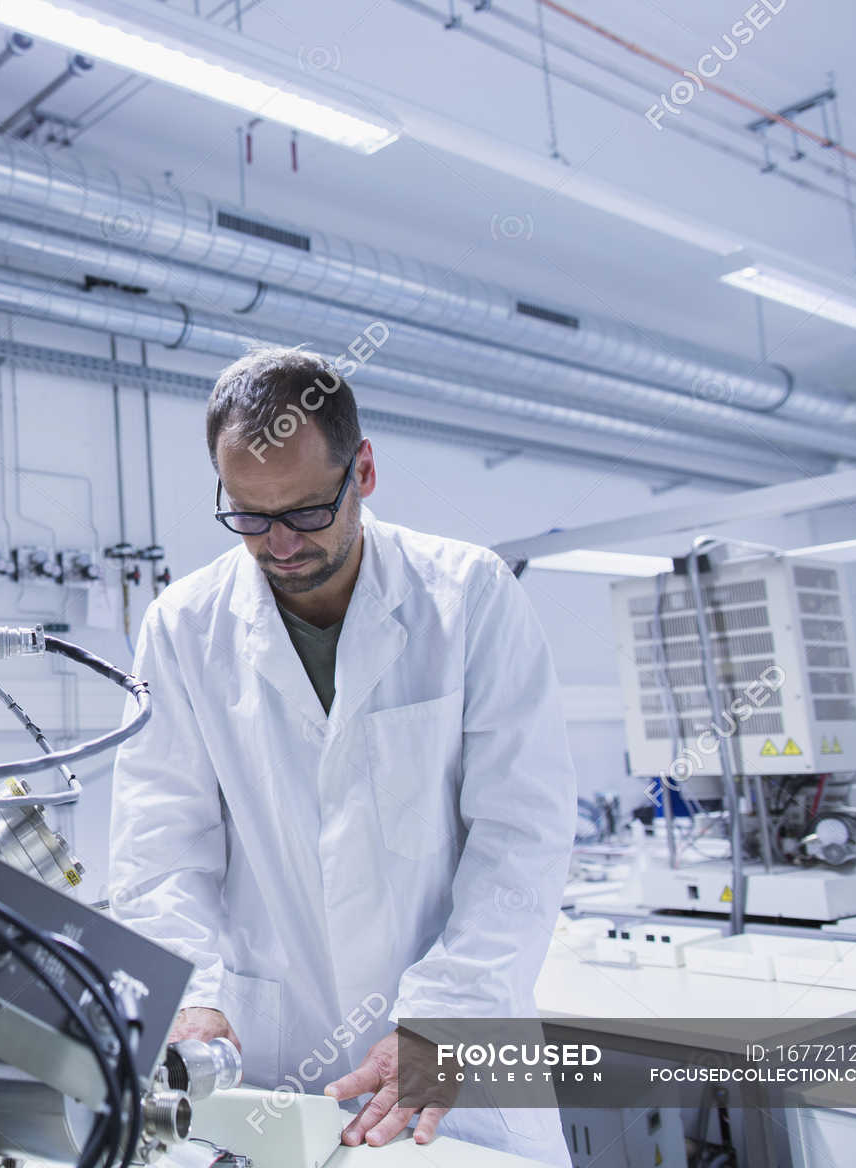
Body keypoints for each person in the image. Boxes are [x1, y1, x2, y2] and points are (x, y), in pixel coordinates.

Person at [109, 346, 576, 1165]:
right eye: (249, 516)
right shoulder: (182, 628)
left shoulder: (467, 596)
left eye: (305, 513)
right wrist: (193, 997)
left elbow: (521, 834)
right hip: (274, 1065)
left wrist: (446, 1015)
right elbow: (159, 849)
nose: (279, 544)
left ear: (362, 470)